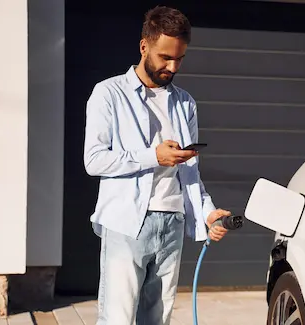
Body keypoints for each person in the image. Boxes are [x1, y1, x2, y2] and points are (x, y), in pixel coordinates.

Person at [83, 5, 232, 325]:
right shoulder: (109, 94)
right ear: (144, 46)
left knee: (158, 319)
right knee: (117, 319)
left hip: (172, 222)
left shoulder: (185, 102)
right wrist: (153, 156)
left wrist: (207, 211)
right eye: (165, 57)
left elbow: (190, 170)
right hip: (126, 222)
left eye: (179, 58)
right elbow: (94, 160)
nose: (172, 66)